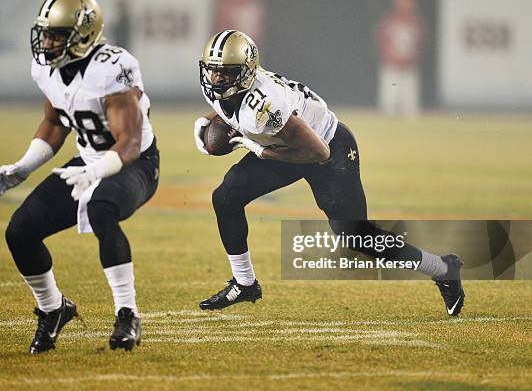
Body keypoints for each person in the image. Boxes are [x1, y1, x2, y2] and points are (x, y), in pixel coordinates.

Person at [194, 30, 464, 316]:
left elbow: (317, 152)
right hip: (284, 143)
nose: (218, 80)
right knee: (226, 197)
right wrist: (205, 124)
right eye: (213, 72)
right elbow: (225, 109)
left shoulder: (264, 107)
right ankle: (245, 283)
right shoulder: (219, 88)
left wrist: (259, 151)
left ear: (247, 73)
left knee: (357, 237)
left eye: (227, 73)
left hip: (329, 148)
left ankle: (443, 268)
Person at [0, 0, 158, 353]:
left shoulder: (113, 68)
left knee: (102, 208)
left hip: (135, 163)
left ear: (83, 35)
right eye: (45, 33)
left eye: (56, 35)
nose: (47, 42)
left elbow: (128, 143)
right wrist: (24, 166)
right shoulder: (47, 68)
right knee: (20, 231)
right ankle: (54, 309)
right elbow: (55, 122)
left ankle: (127, 314)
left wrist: (97, 171)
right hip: (89, 160)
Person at [376, 0, 424, 117]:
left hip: (408, 64)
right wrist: (389, 57)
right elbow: (382, 40)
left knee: (409, 102)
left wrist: (411, 58)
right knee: (390, 98)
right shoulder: (390, 20)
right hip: (391, 64)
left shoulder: (414, 21)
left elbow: (419, 42)